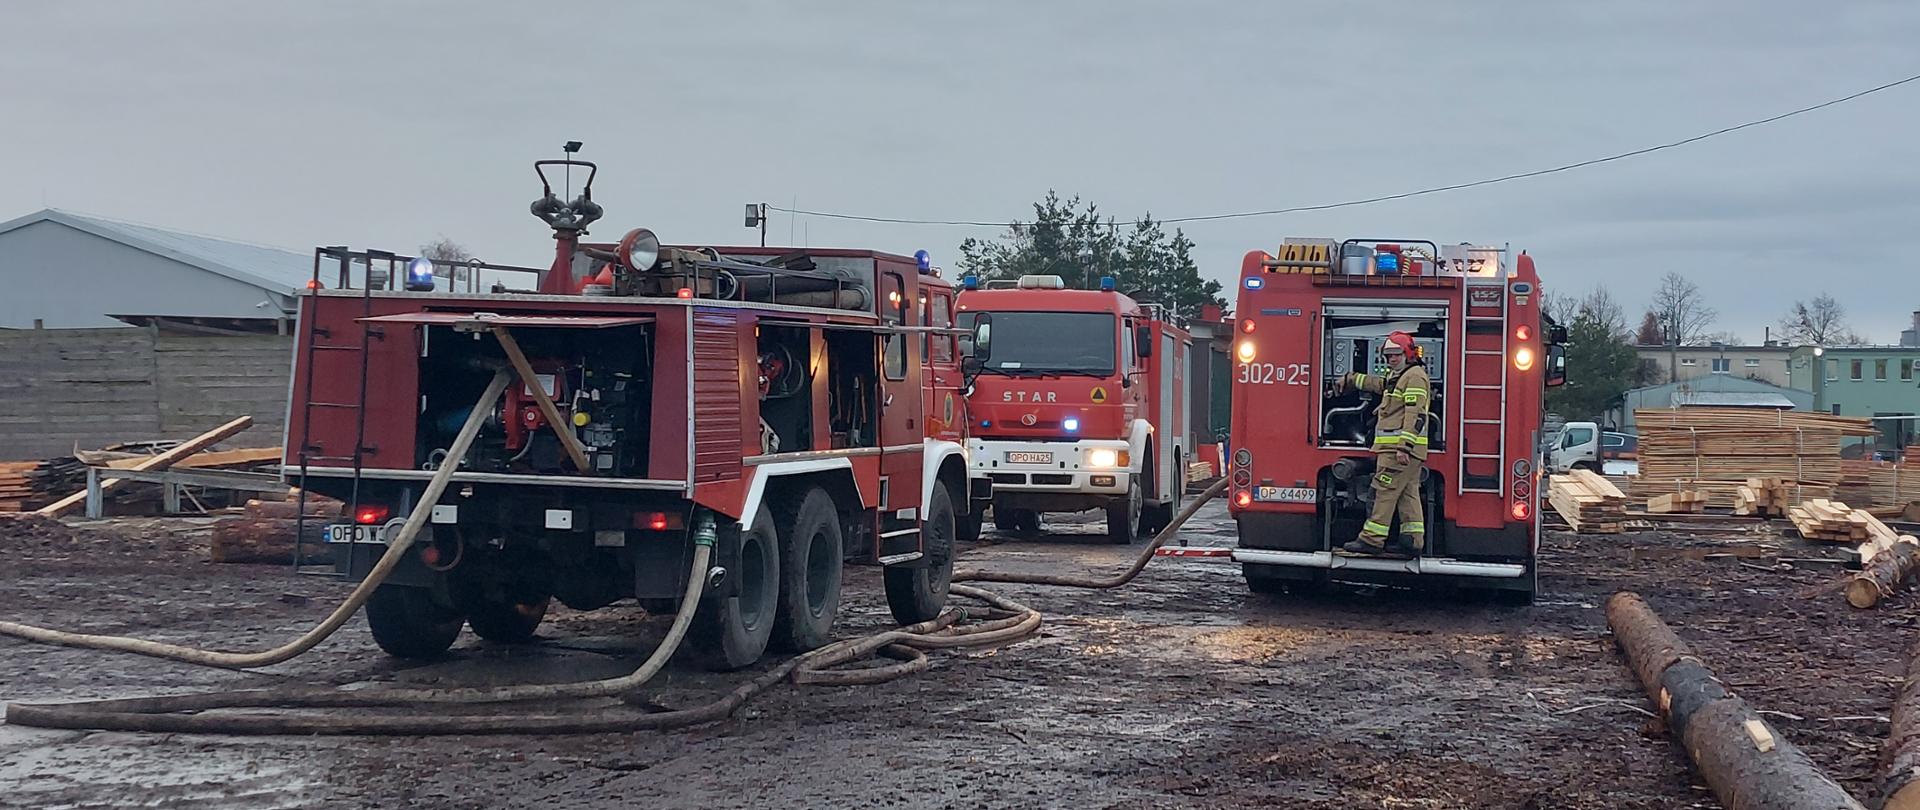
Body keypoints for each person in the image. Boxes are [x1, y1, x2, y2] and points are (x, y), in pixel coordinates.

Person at [1333, 331, 1431, 558]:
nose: (1391, 360)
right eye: (1387, 356)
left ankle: (1371, 540)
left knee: (1382, 492)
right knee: (1408, 494)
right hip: (1404, 450)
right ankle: (1412, 541)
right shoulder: (1401, 375)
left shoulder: (1414, 377)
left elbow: (1415, 414)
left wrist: (1404, 446)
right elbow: (1379, 384)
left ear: (1408, 354)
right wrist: (1352, 378)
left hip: (1398, 450)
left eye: (1396, 355)